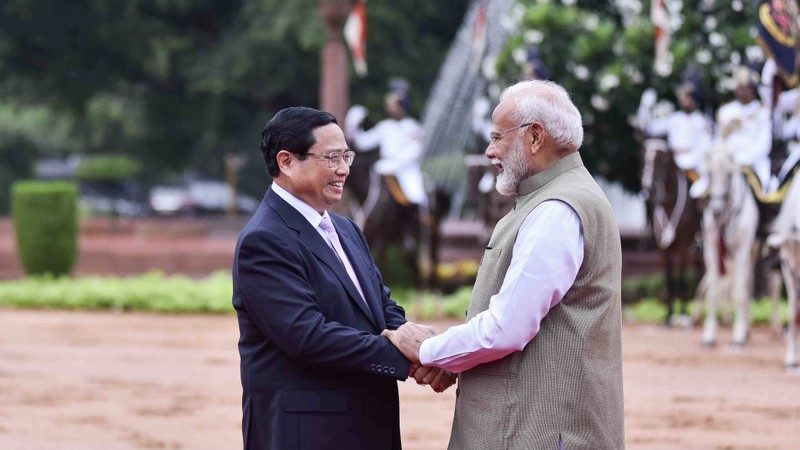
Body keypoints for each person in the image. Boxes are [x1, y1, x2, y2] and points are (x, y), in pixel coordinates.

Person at [383, 79, 625, 449]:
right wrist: (452, 360)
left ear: (535, 137)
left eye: (497, 137)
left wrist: (426, 350)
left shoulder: (555, 209)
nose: (489, 151)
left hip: (534, 433)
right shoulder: (554, 197)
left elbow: (506, 328)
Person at [231, 106, 449, 450]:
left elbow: (380, 305)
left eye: (346, 155)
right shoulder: (265, 240)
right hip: (307, 434)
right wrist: (408, 359)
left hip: (368, 424)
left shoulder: (346, 229)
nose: (344, 169)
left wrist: (416, 342)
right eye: (331, 157)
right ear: (286, 161)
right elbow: (307, 336)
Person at [345, 79, 427, 207]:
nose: (391, 108)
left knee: (417, 196)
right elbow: (363, 143)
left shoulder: (413, 126)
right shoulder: (384, 126)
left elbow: (415, 151)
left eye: (395, 105)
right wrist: (354, 126)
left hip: (406, 169)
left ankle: (423, 223)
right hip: (383, 167)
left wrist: (396, 164)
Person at [637, 80, 713, 199]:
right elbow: (649, 129)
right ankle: (649, 191)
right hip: (672, 161)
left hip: (692, 164)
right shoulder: (673, 118)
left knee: (701, 188)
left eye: (688, 97)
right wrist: (645, 107)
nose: (684, 100)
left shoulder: (701, 120)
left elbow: (705, 145)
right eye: (683, 96)